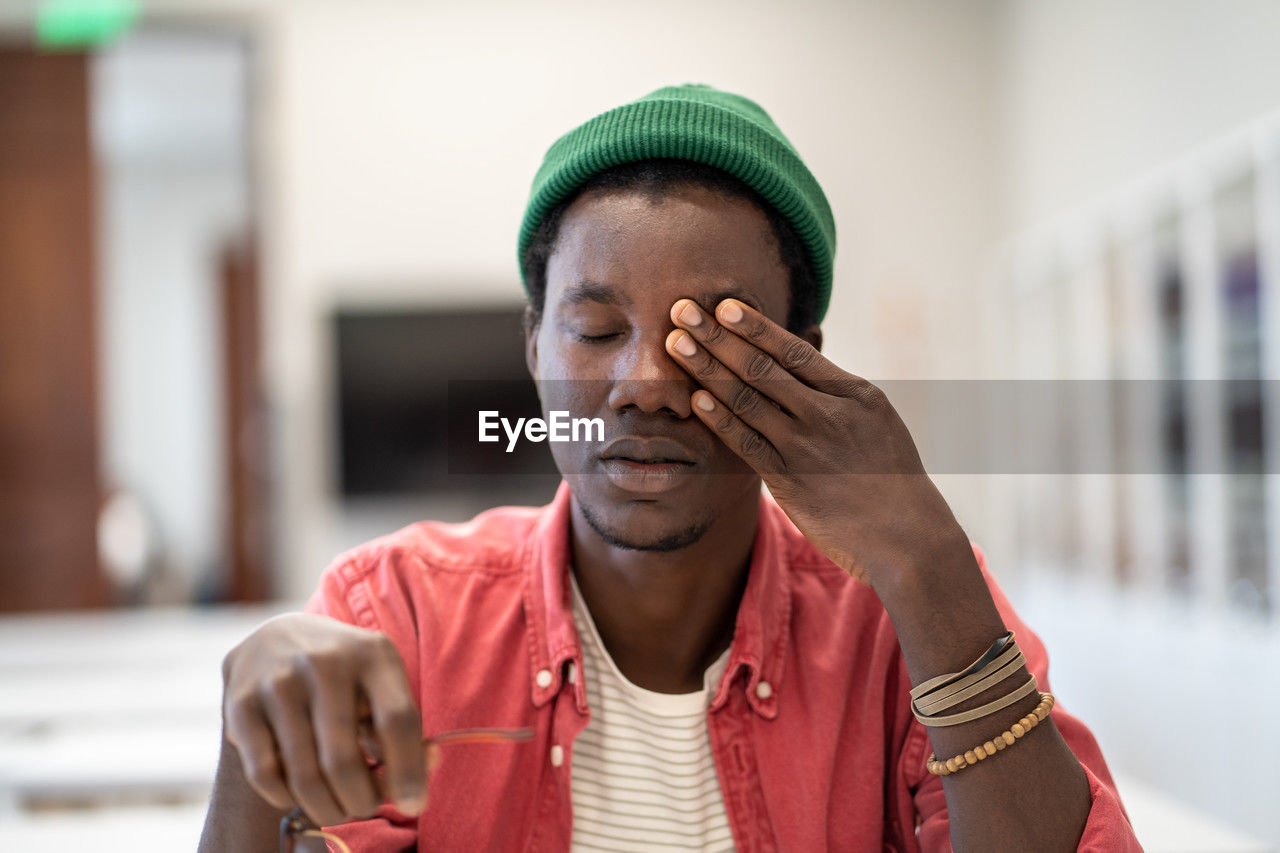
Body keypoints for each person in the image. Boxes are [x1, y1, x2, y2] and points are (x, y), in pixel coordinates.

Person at [199, 85, 1141, 852]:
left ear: (803, 358)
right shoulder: (397, 613)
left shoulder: (908, 613)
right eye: (598, 330)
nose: (643, 382)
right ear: (533, 346)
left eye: (710, 339)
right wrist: (253, 766)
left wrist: (931, 563)